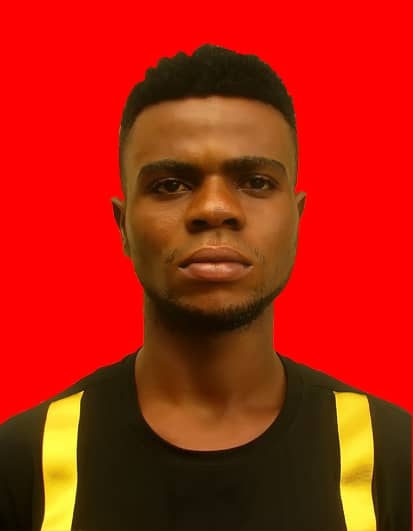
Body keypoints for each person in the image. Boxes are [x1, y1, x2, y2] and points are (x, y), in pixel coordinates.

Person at [0, 44, 410, 531]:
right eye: (171, 185)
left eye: (255, 182)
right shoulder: (25, 459)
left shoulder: (390, 454)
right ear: (122, 225)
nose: (215, 209)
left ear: (297, 219)